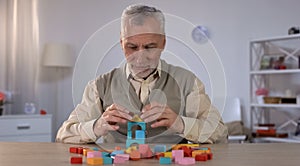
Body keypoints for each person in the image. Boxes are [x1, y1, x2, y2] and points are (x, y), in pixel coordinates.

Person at [56, 4, 228, 144]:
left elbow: (220, 133)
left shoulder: (187, 82)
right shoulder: (99, 86)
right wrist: (96, 126)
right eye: (131, 47)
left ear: (163, 43)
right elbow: (64, 134)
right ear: (121, 43)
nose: (140, 58)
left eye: (150, 47)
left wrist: (180, 123)